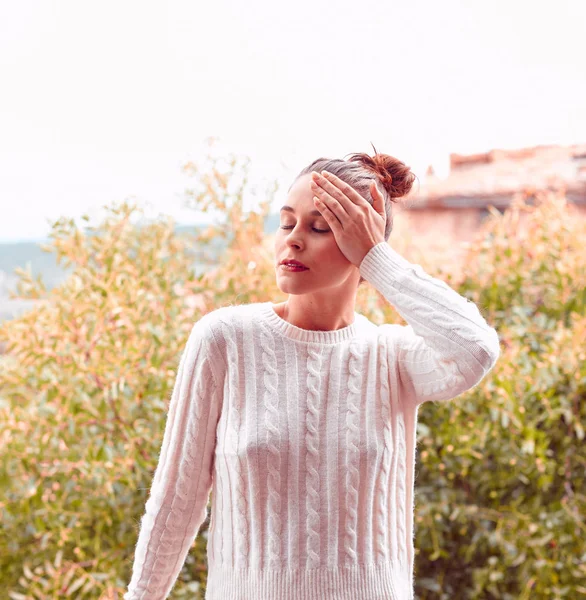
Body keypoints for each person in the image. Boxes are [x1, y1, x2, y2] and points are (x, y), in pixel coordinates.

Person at [124, 148, 501, 600]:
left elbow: (475, 348)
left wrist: (378, 259)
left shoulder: (393, 357)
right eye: (287, 222)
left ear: (361, 246)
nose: (294, 240)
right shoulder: (224, 339)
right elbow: (174, 505)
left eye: (321, 227)